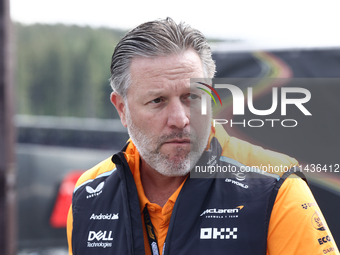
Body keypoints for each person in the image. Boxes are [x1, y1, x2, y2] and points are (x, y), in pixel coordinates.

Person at [67, 17, 339, 255]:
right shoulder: (89, 194)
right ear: (122, 108)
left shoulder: (274, 187)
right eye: (158, 100)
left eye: (192, 97)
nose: (180, 119)